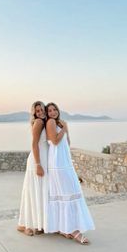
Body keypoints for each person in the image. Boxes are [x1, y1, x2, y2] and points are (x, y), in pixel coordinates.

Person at [45, 102, 95, 244]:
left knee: (66, 193)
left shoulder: (60, 123)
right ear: (47, 113)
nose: (53, 112)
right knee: (67, 193)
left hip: (65, 162)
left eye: (55, 109)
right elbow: (54, 141)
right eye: (50, 110)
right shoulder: (51, 122)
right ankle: (74, 230)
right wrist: (65, 128)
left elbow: (67, 142)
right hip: (57, 164)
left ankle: (64, 228)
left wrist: (64, 129)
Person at [17, 101, 48, 236]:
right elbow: (34, 144)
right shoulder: (39, 123)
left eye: (42, 109)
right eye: (37, 111)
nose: (40, 112)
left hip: (44, 159)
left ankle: (39, 224)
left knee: (40, 192)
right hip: (37, 160)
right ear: (34, 113)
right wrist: (38, 165)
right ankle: (25, 225)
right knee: (32, 192)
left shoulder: (45, 121)